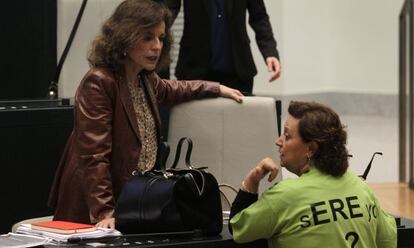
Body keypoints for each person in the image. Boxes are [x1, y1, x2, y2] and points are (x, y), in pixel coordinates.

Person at [48, 0, 243, 230]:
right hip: (94, 210)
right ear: (124, 37)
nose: (157, 46)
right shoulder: (100, 82)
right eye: (147, 37)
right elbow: (94, 157)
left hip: (129, 201)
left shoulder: (144, 78)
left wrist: (216, 88)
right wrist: (104, 212)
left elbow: (174, 89)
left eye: (160, 38)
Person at [230, 101, 397, 248]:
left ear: (310, 149)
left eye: (287, 136)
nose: (278, 141)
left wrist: (252, 179)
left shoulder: (284, 196)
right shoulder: (361, 189)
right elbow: (388, 239)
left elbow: (238, 228)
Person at [164, 0, 282, 94]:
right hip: (195, 70)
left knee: (238, 123)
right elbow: (169, 9)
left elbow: (259, 17)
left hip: (238, 72)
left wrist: (270, 52)